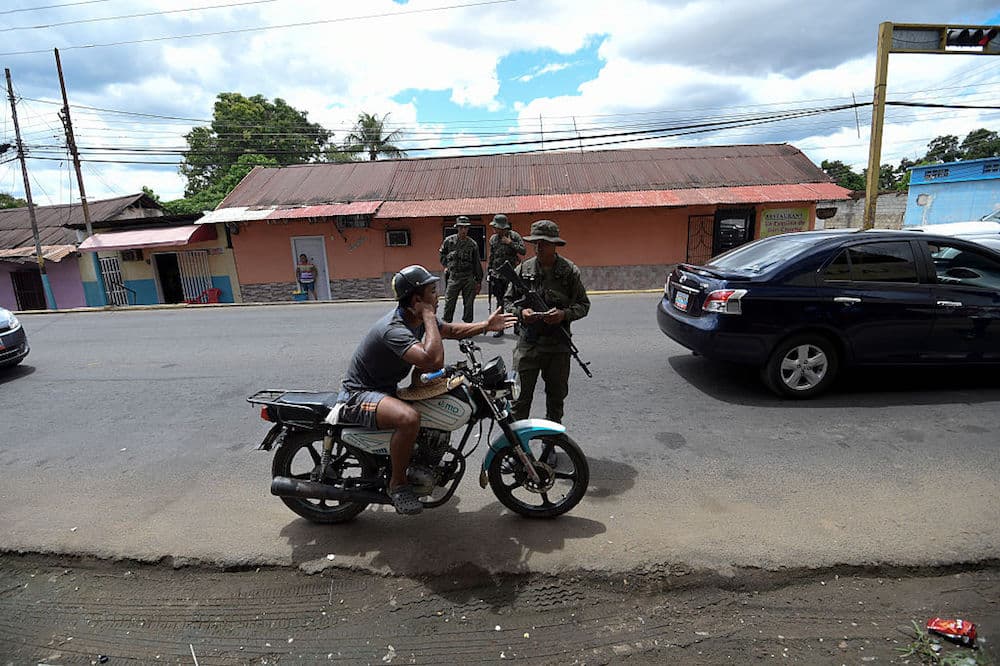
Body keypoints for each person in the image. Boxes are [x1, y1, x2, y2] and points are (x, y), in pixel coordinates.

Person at [337, 265, 515, 515]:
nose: (438, 296)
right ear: (416, 300)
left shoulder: (414, 319)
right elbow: (432, 360)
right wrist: (429, 316)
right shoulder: (394, 328)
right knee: (409, 419)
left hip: (385, 390)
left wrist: (486, 325)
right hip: (359, 394)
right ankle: (398, 485)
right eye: (432, 291)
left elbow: (450, 330)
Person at [505, 220, 590, 424]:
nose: (538, 247)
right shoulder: (523, 269)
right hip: (528, 345)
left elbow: (583, 305)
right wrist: (521, 313)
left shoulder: (569, 272)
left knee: (556, 401)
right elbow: (507, 301)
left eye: (544, 243)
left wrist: (563, 314)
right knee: (518, 400)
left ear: (554, 245)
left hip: (557, 346)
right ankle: (517, 442)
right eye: (535, 243)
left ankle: (551, 440)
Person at [486, 213, 526, 337]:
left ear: (503, 227)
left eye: (496, 227)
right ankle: (500, 328)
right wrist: (489, 271)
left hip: (512, 273)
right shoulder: (493, 239)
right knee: (500, 302)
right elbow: (492, 256)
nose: (494, 229)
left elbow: (523, 251)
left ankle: (516, 326)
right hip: (497, 274)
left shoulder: (514, 236)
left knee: (514, 301)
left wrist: (510, 243)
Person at [439, 216, 483, 323]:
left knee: (469, 304)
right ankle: (446, 324)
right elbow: (442, 254)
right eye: (461, 227)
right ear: (457, 228)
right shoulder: (449, 241)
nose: (463, 230)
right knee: (449, 302)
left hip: (468, 277)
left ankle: (468, 326)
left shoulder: (472, 244)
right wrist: (447, 266)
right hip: (454, 277)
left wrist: (478, 281)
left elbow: (476, 263)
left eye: (465, 228)